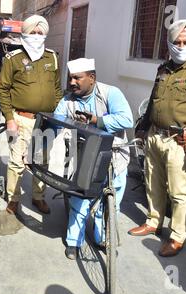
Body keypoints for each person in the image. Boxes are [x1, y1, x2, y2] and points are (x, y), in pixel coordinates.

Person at [128, 19, 186, 257]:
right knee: (153, 183)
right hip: (154, 136)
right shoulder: (164, 69)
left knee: (179, 191)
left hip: (180, 142)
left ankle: (178, 236)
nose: (181, 45)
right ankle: (153, 221)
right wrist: (142, 126)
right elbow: (153, 101)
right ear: (169, 42)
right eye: (176, 41)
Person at [54, 58, 134, 259]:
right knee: (80, 199)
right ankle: (74, 242)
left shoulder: (110, 93)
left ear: (92, 78)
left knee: (110, 202)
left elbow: (126, 119)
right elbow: (56, 121)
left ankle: (102, 237)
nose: (72, 82)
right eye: (70, 78)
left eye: (77, 78)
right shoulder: (67, 100)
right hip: (84, 157)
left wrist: (97, 121)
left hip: (115, 156)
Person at [0, 14, 63, 215]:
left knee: (41, 162)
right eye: (32, 32)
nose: (36, 35)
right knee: (17, 162)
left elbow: (58, 89)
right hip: (20, 119)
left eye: (40, 32)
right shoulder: (13, 58)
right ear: (24, 33)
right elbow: (3, 90)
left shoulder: (51, 57)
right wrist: (9, 119)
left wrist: (59, 116)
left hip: (45, 121)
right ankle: (14, 199)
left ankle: (38, 197)